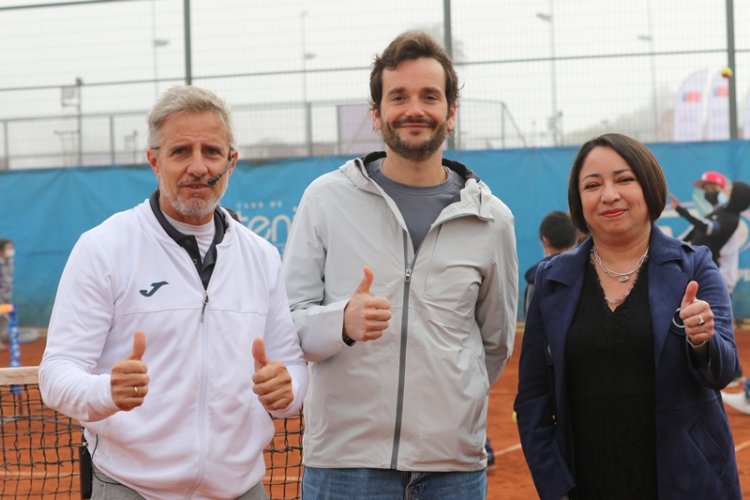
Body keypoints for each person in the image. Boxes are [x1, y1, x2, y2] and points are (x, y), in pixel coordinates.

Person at [39, 85, 308, 500]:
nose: (198, 167)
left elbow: (291, 364)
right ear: (154, 160)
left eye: (212, 152)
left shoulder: (262, 256)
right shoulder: (102, 248)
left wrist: (288, 390)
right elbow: (56, 372)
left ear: (231, 161)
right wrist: (105, 392)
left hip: (242, 488)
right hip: (129, 488)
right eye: (181, 151)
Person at [282, 30, 518, 499]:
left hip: (452, 468)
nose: (415, 108)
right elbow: (287, 326)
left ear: (451, 112)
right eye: (399, 96)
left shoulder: (493, 219)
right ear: (377, 114)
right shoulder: (325, 200)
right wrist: (341, 322)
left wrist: (451, 404)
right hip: (344, 468)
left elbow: (494, 344)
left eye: (430, 96)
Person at [514, 133, 741, 500]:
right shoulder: (552, 279)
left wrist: (703, 341)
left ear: (648, 187)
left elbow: (724, 371)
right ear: (579, 200)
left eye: (624, 179)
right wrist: (556, 487)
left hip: (686, 483)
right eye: (592, 185)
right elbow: (533, 400)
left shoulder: (694, 265)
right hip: (585, 484)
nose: (609, 195)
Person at [524, 211, 577, 316]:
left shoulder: (535, 279)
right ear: (575, 240)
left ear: (545, 241)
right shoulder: (587, 272)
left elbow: (530, 322)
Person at [0, 239, 14, 351]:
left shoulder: (10, 262)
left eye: (11, 248)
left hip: (6, 295)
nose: (11, 250)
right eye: (8, 248)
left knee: (5, 318)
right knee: (3, 316)